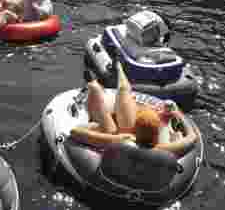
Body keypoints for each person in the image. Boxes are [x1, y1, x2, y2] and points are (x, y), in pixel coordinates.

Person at [70, 64, 199, 156]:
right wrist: (178, 114)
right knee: (122, 95)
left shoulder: (121, 141)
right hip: (143, 155)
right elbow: (193, 137)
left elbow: (75, 132)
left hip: (117, 146)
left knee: (112, 99)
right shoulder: (165, 150)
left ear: (135, 129)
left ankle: (98, 83)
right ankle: (115, 73)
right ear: (157, 134)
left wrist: (97, 128)